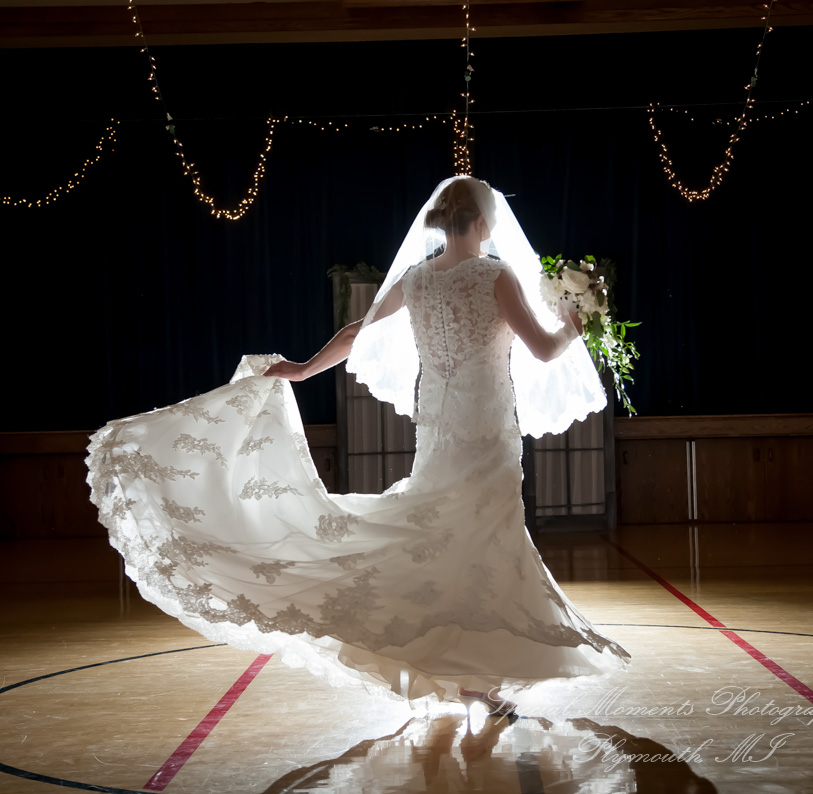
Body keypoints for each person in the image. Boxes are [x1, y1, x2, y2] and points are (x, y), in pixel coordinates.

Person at [86, 176, 629, 718]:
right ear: (485, 223)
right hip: (485, 430)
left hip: (439, 430)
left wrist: (303, 369)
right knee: (481, 534)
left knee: (444, 533)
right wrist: (575, 326)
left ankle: (465, 673)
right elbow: (542, 350)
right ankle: (473, 672)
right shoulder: (495, 274)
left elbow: (354, 333)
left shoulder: (416, 280)